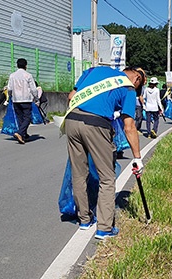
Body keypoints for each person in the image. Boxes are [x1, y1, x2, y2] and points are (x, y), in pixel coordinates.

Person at [63, 66, 145, 240]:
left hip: (71, 120)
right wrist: (137, 157)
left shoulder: (94, 71)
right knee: (107, 177)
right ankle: (105, 228)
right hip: (96, 125)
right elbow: (129, 126)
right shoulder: (128, 88)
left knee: (79, 173)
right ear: (136, 79)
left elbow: (71, 97)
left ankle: (84, 220)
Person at [7, 58, 38, 144]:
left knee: (20, 118)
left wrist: (10, 96)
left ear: (17, 65)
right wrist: (36, 98)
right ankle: (20, 133)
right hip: (26, 99)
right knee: (27, 118)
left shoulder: (12, 75)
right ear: (26, 66)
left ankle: (23, 135)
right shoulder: (28, 75)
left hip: (16, 99)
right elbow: (33, 89)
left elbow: (9, 88)